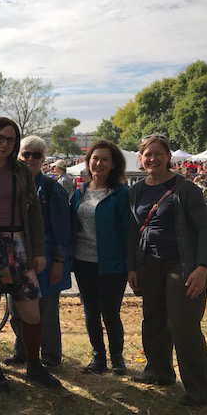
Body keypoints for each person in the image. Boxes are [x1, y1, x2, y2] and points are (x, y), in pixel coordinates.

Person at [0, 117, 61, 391]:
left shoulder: (20, 170)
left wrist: (39, 251)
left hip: (19, 245)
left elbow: (34, 213)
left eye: (10, 139)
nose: (4, 143)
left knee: (31, 311)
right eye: (0, 137)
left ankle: (34, 364)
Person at [128, 134, 207, 406]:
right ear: (140, 159)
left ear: (168, 157)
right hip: (148, 264)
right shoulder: (137, 190)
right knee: (153, 318)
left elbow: (204, 229)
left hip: (182, 264)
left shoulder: (186, 188)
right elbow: (133, 231)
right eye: (147, 154)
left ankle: (199, 391)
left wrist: (202, 267)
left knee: (183, 325)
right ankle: (158, 371)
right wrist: (133, 267)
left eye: (158, 153)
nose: (152, 158)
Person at [7, 136, 72, 370]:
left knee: (46, 312)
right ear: (18, 156)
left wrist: (58, 261)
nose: (30, 159)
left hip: (46, 259)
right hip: (16, 257)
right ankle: (22, 352)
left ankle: (51, 357)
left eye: (36, 155)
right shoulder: (12, 185)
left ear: (43, 159)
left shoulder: (52, 188)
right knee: (18, 309)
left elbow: (63, 229)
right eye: (26, 154)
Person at [70, 140, 129, 375]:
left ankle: (117, 358)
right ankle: (98, 357)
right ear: (88, 161)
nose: (99, 163)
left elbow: (127, 231)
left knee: (111, 312)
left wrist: (131, 264)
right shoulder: (79, 193)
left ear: (114, 164)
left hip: (113, 264)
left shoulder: (121, 194)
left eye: (105, 159)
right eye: (95, 158)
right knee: (91, 311)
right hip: (83, 261)